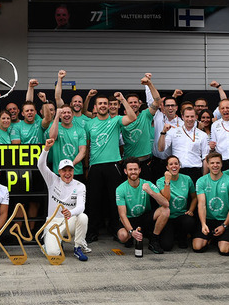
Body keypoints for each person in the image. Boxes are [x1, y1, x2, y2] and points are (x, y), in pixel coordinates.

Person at [85, 92, 137, 242]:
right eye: (100, 104)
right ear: (95, 107)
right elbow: (87, 147)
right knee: (93, 201)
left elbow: (133, 117)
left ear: (109, 106)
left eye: (105, 103)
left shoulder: (116, 121)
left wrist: (122, 100)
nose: (102, 106)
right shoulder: (90, 124)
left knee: (114, 200)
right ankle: (92, 232)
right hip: (95, 165)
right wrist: (87, 167)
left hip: (113, 164)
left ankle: (116, 229)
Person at [37, 139, 89, 260]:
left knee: (83, 217)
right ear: (59, 172)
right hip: (53, 222)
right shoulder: (52, 180)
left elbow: (81, 207)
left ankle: (78, 247)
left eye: (70, 170)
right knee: (53, 254)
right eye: (64, 170)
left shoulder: (80, 186)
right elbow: (40, 165)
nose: (67, 173)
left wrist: (70, 212)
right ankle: (49, 245)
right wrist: (46, 149)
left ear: (73, 171)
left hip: (68, 221)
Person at [115, 158, 170, 254]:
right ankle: (132, 236)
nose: (133, 172)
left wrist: (151, 192)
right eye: (130, 169)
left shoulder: (147, 183)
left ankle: (154, 240)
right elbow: (122, 215)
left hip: (144, 217)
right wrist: (131, 232)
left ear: (139, 170)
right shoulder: (120, 189)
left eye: (135, 169)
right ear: (125, 171)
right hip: (130, 219)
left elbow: (166, 203)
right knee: (123, 236)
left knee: (165, 210)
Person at [194, 152, 229, 255]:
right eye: (212, 163)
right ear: (208, 165)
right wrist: (203, 224)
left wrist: (224, 225)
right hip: (208, 219)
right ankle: (211, 238)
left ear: (222, 164)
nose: (215, 165)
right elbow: (201, 204)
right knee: (197, 247)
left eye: (218, 163)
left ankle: (217, 239)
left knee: (224, 250)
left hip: (224, 220)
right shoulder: (201, 181)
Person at [121, 74, 161, 183]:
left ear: (139, 104)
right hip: (129, 164)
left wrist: (149, 84)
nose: (133, 104)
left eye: (135, 102)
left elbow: (157, 101)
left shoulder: (145, 115)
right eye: (130, 103)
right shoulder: (122, 120)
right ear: (126, 105)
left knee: (147, 193)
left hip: (145, 162)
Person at [155, 156, 197, 250]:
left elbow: (194, 197)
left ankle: (182, 237)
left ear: (179, 166)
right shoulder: (160, 181)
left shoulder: (187, 179)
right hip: (167, 217)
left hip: (181, 215)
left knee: (189, 221)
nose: (174, 166)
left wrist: (191, 210)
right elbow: (166, 199)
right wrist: (167, 181)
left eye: (176, 164)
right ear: (167, 167)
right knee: (167, 246)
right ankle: (171, 235)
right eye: (171, 164)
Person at [158, 106, 209, 182]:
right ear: (182, 117)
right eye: (187, 116)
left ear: (196, 117)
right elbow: (161, 149)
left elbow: (205, 158)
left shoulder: (203, 135)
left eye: (192, 116)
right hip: (178, 171)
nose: (189, 119)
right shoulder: (173, 132)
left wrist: (204, 178)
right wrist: (163, 132)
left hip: (195, 171)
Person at [48, 106, 88, 182]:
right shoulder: (55, 126)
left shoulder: (80, 130)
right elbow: (52, 137)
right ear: (60, 115)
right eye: (63, 113)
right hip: (59, 171)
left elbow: (83, 152)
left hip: (76, 172)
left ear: (72, 115)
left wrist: (70, 165)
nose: (66, 114)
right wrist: (56, 116)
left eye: (69, 112)